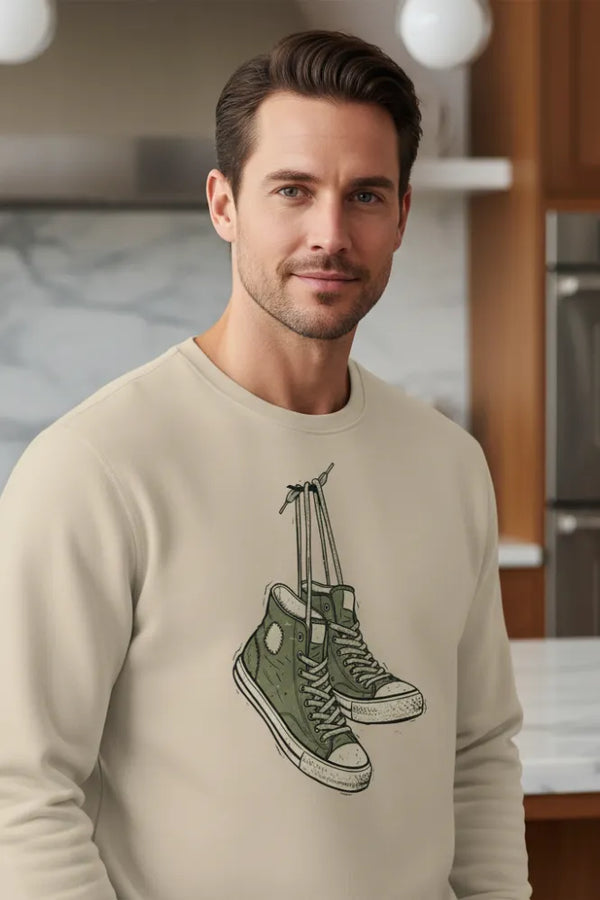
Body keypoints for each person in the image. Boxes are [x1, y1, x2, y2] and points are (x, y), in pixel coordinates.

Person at [0, 29, 531, 900]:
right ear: (224, 205)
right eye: (293, 190)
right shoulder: (94, 469)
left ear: (401, 215)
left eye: (364, 195)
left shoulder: (449, 467)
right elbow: (20, 794)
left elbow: (476, 756)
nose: (331, 233)